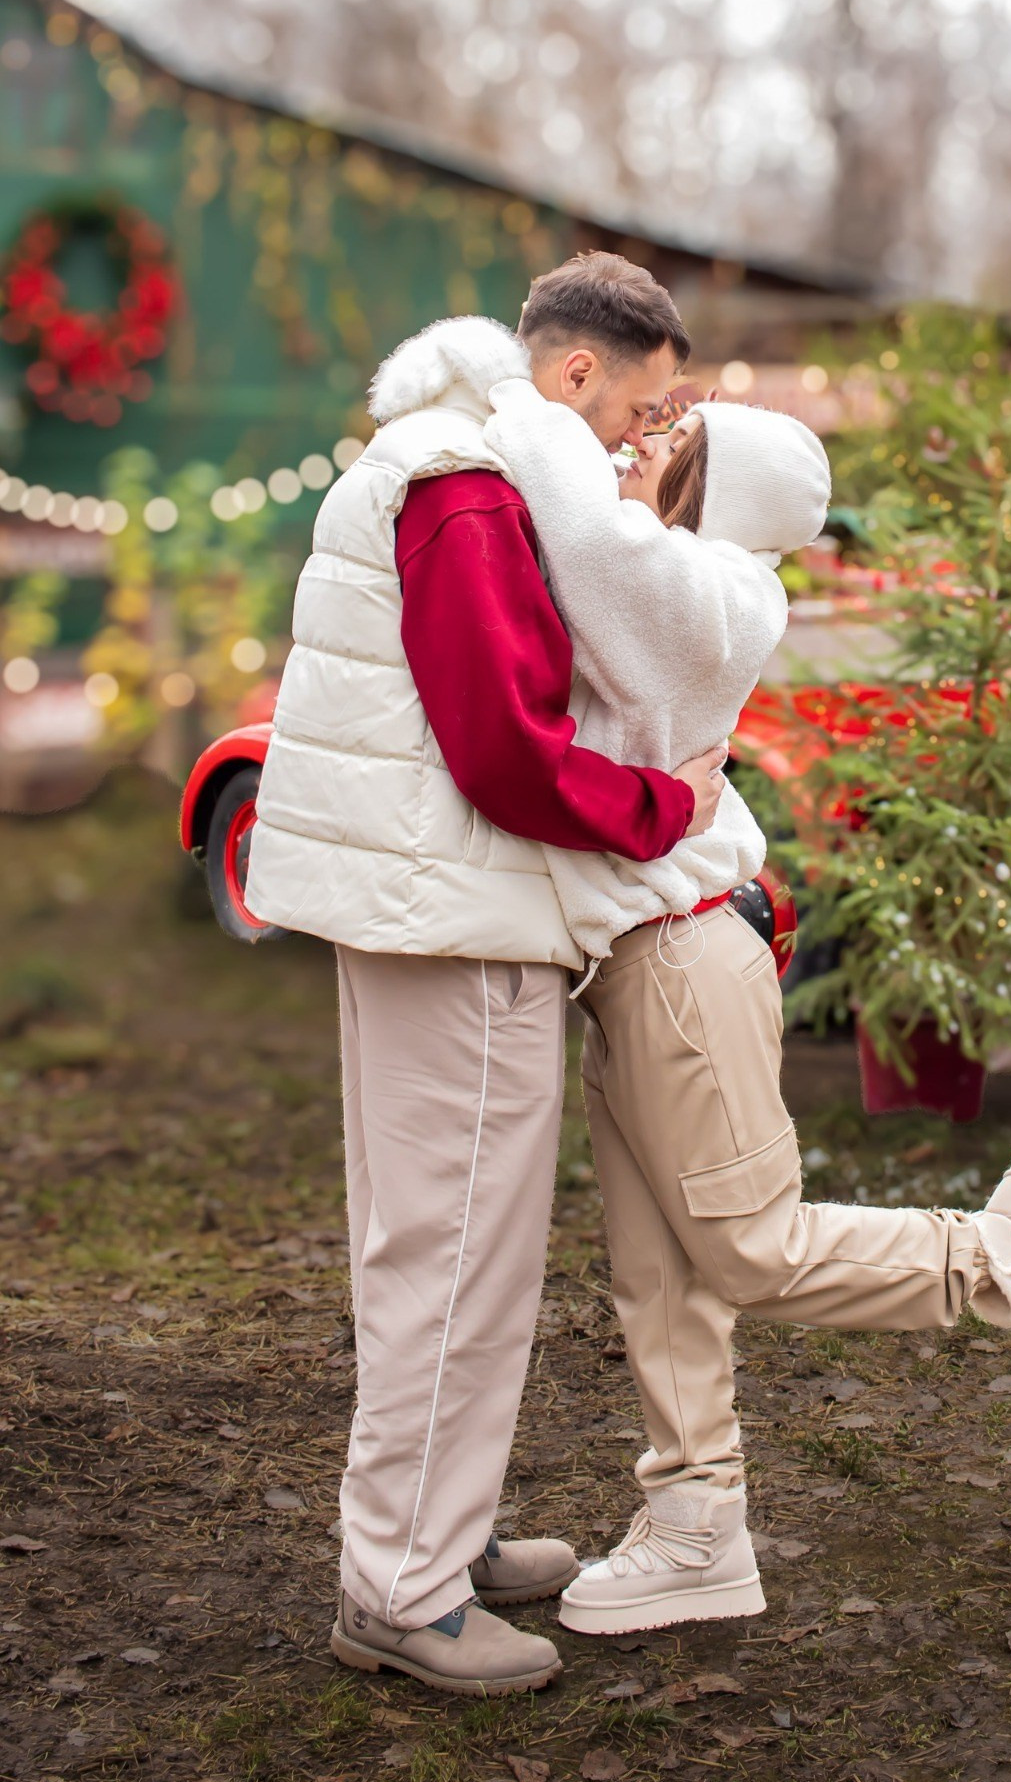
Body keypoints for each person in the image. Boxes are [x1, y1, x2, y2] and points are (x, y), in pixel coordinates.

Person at [482, 392, 1011, 1636]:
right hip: (635, 963)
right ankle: (695, 1526)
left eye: (670, 452)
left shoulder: (713, 589)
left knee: (748, 1249)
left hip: (680, 956)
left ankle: (1007, 1247)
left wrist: (515, 397)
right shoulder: (681, 577)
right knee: (661, 1275)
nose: (638, 455)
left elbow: (583, 544)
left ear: (716, 497)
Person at [244, 254, 728, 1696]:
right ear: (573, 373)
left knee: (441, 1244)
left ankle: (429, 1534)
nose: (634, 447)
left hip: (434, 903)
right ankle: (402, 1584)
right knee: (452, 1255)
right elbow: (505, 744)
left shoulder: (452, 461)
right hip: (451, 913)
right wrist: (669, 806)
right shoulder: (469, 488)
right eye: (632, 414)